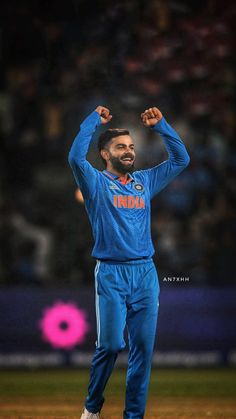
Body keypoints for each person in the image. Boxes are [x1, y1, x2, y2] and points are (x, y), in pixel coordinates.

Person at [68, 105, 190, 419]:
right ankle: (92, 408)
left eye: (132, 147)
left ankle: (133, 416)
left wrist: (162, 126)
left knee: (142, 353)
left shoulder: (144, 182)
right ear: (105, 154)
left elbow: (181, 159)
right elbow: (74, 158)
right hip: (111, 273)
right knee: (109, 345)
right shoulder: (94, 183)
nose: (129, 151)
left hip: (145, 274)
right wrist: (92, 120)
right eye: (121, 147)